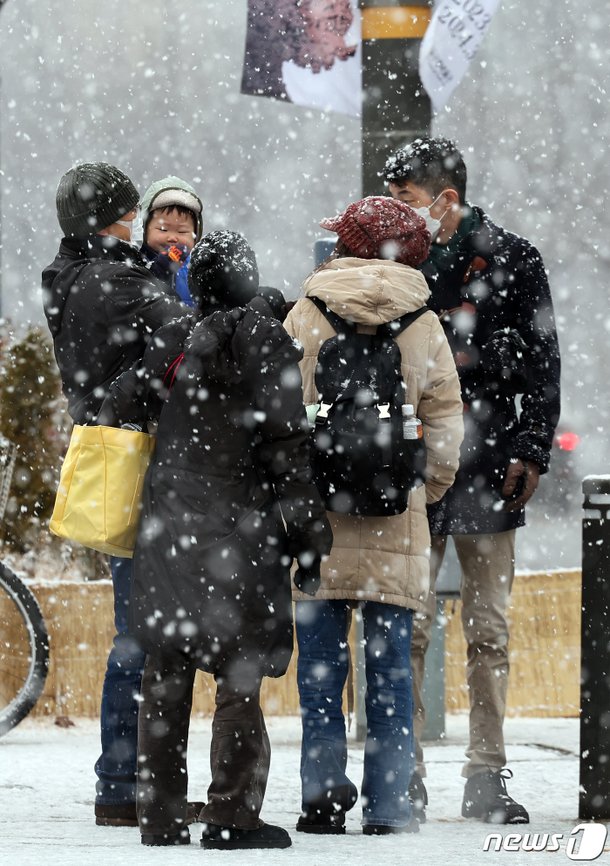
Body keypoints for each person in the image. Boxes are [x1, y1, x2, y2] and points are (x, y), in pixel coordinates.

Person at [101, 230, 333, 849]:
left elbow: (117, 402)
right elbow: (287, 448)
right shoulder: (261, 339)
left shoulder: (176, 337)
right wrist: (309, 535)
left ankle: (160, 816)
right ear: (247, 280)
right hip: (240, 527)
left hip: (167, 523)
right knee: (238, 674)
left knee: (166, 670)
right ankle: (232, 818)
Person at [384, 137, 561, 824]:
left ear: (445, 198)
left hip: (490, 465)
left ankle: (487, 772)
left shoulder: (513, 259)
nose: (397, 211)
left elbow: (544, 366)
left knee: (489, 629)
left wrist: (532, 448)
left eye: (406, 199)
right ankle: (408, 772)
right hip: (417, 461)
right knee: (412, 623)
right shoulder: (393, 263)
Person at [283, 197, 464, 835]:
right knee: (389, 676)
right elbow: (444, 423)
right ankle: (388, 807)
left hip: (318, 524)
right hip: (397, 516)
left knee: (320, 674)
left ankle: (323, 800)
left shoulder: (307, 313)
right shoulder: (424, 323)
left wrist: (294, 490)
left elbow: (281, 414)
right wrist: (424, 489)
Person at [41, 162, 187, 827]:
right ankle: (130, 783)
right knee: (143, 638)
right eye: (127, 212)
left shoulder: (66, 276)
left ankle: (118, 785)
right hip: (147, 463)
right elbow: (193, 331)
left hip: (108, 456)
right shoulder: (121, 283)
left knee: (132, 633)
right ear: (108, 217)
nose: (135, 223)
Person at [139, 175, 204, 306]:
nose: (173, 237)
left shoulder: (199, 269)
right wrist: (159, 272)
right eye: (163, 229)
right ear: (145, 230)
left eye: (182, 232)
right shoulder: (136, 262)